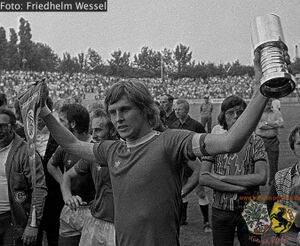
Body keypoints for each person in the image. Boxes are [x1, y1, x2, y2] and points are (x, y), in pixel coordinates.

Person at [39, 53, 271, 246]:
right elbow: (70, 144)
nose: (117, 118)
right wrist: (44, 111)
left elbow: (230, 142)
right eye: (112, 112)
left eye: (125, 110)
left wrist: (261, 89)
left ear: (145, 110)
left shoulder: (169, 141)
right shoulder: (111, 150)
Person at [199, 95, 268, 246]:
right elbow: (204, 178)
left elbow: (262, 177)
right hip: (221, 208)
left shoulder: (256, 141)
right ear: (223, 116)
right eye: (231, 112)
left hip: (253, 207)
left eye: (241, 112)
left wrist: (222, 178)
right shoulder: (213, 141)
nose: (236, 115)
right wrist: (239, 188)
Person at [61, 109, 116, 246]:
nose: (94, 135)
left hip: (120, 225)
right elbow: (66, 176)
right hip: (96, 221)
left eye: (98, 130)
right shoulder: (92, 154)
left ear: (113, 131)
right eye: (92, 130)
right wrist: (68, 196)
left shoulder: (125, 153)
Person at [47, 104, 95, 246]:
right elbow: (51, 165)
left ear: (73, 124)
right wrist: (65, 186)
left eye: (61, 121)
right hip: (70, 210)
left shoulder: (96, 147)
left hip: (93, 212)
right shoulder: (64, 146)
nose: (58, 125)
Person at [0, 108, 47, 246]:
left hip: (14, 220)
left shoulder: (27, 153)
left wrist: (33, 224)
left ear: (13, 127)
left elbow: (39, 188)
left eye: (2, 126)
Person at [170, 99, 211, 232]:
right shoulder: (173, 125)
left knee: (200, 193)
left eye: (179, 109)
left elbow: (205, 144)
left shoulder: (196, 125)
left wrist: (204, 163)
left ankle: (206, 222)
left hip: (196, 166)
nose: (176, 111)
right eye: (175, 109)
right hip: (180, 165)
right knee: (182, 192)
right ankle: (183, 219)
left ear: (187, 110)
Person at [266, 124, 300, 245]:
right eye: (299, 144)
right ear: (293, 148)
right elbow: (269, 205)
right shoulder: (281, 177)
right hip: (289, 236)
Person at [256, 98, 284, 185]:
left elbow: (281, 124)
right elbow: (260, 126)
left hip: (273, 140)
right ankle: (257, 181)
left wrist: (267, 123)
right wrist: (274, 125)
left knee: (273, 163)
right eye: (266, 102)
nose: (268, 103)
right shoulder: (258, 113)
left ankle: (272, 182)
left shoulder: (276, 112)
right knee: (257, 162)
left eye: (269, 101)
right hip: (260, 140)